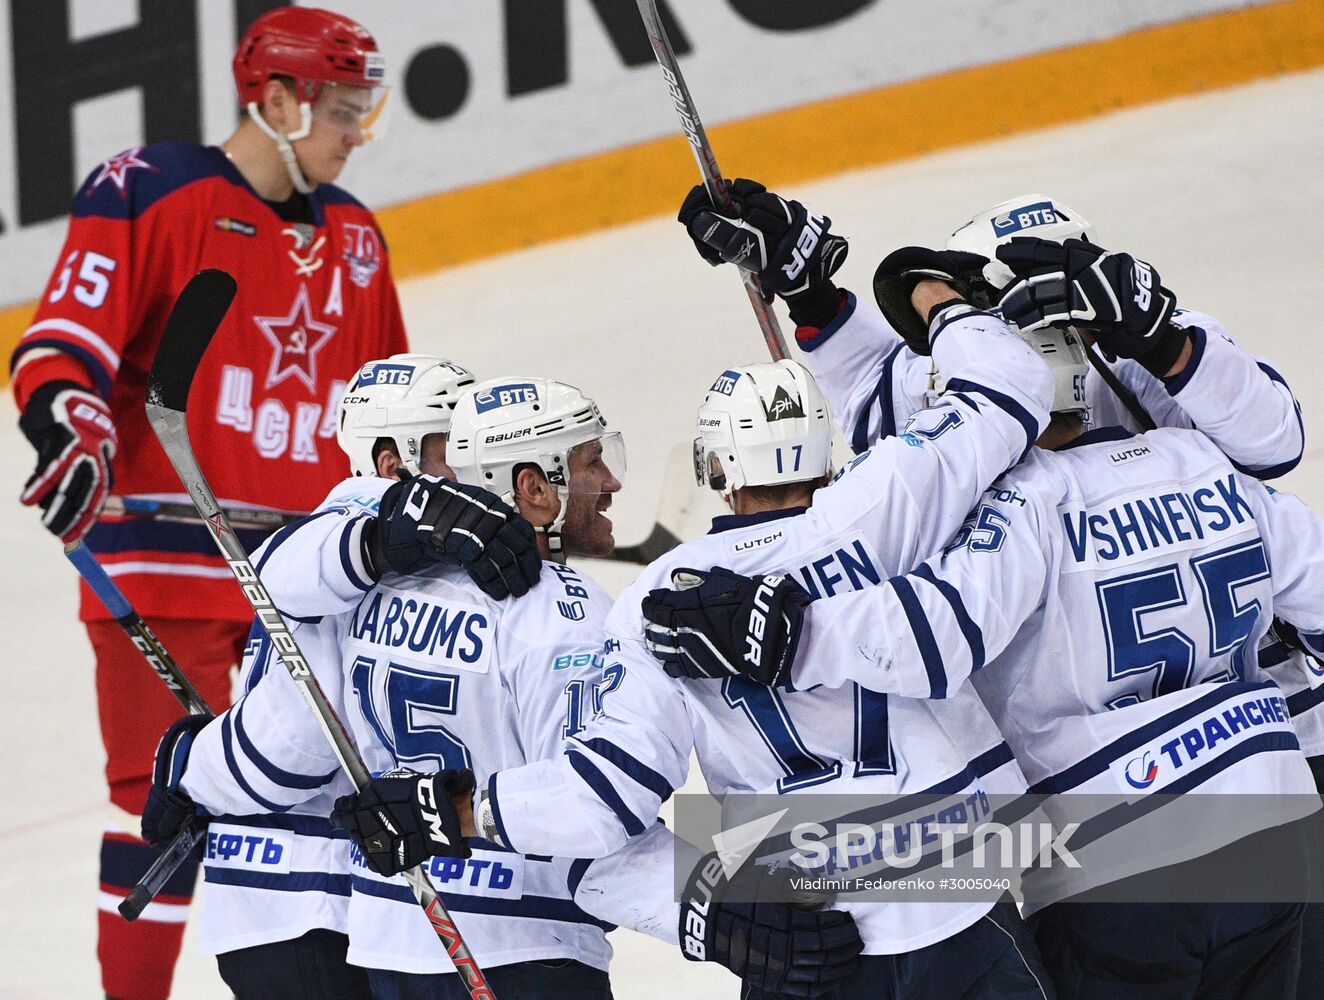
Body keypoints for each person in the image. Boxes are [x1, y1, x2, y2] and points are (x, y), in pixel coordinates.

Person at [336, 262, 1064, 995]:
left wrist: (457, 811)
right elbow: (1011, 390)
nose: (613, 482)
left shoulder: (655, 599)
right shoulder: (890, 497)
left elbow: (601, 799)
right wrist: (935, 300)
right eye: (596, 464)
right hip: (957, 906)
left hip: (810, 932)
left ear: (716, 466)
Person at [641, 260, 1324, 997]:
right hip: (1276, 832)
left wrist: (789, 630)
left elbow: (939, 633)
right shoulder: (1207, 463)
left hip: (1124, 861)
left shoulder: (1028, 501)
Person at [152, 373, 860, 997]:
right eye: (591, 464)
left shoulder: (369, 590)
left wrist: (192, 770)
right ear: (533, 487)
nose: (611, 482)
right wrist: (713, 909)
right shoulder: (565, 612)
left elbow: (280, 616)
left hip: (391, 944)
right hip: (527, 954)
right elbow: (595, 818)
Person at [8, 9, 406, 996]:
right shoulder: (150, 189)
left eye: (365, 110)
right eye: (344, 109)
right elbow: (64, 343)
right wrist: (71, 423)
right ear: (274, 100)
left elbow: (390, 407)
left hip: (310, 581)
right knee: (162, 804)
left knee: (315, 807)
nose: (358, 132)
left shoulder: (356, 237)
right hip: (164, 560)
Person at [142, 353, 545, 998]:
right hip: (319, 907)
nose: (475, 465)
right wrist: (721, 898)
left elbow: (600, 805)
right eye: (456, 444)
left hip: (360, 910)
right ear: (393, 464)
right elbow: (289, 749)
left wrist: (191, 766)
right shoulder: (345, 563)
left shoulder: (537, 593)